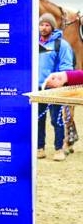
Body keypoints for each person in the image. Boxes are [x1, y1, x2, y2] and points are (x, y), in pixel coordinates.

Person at [38, 12, 75, 161]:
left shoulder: (61, 44)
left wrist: (59, 81)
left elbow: (67, 67)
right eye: (41, 24)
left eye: (47, 25)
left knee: (56, 120)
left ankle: (59, 149)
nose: (43, 28)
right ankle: (40, 148)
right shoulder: (34, 43)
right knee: (39, 120)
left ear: (52, 27)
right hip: (38, 89)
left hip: (54, 89)